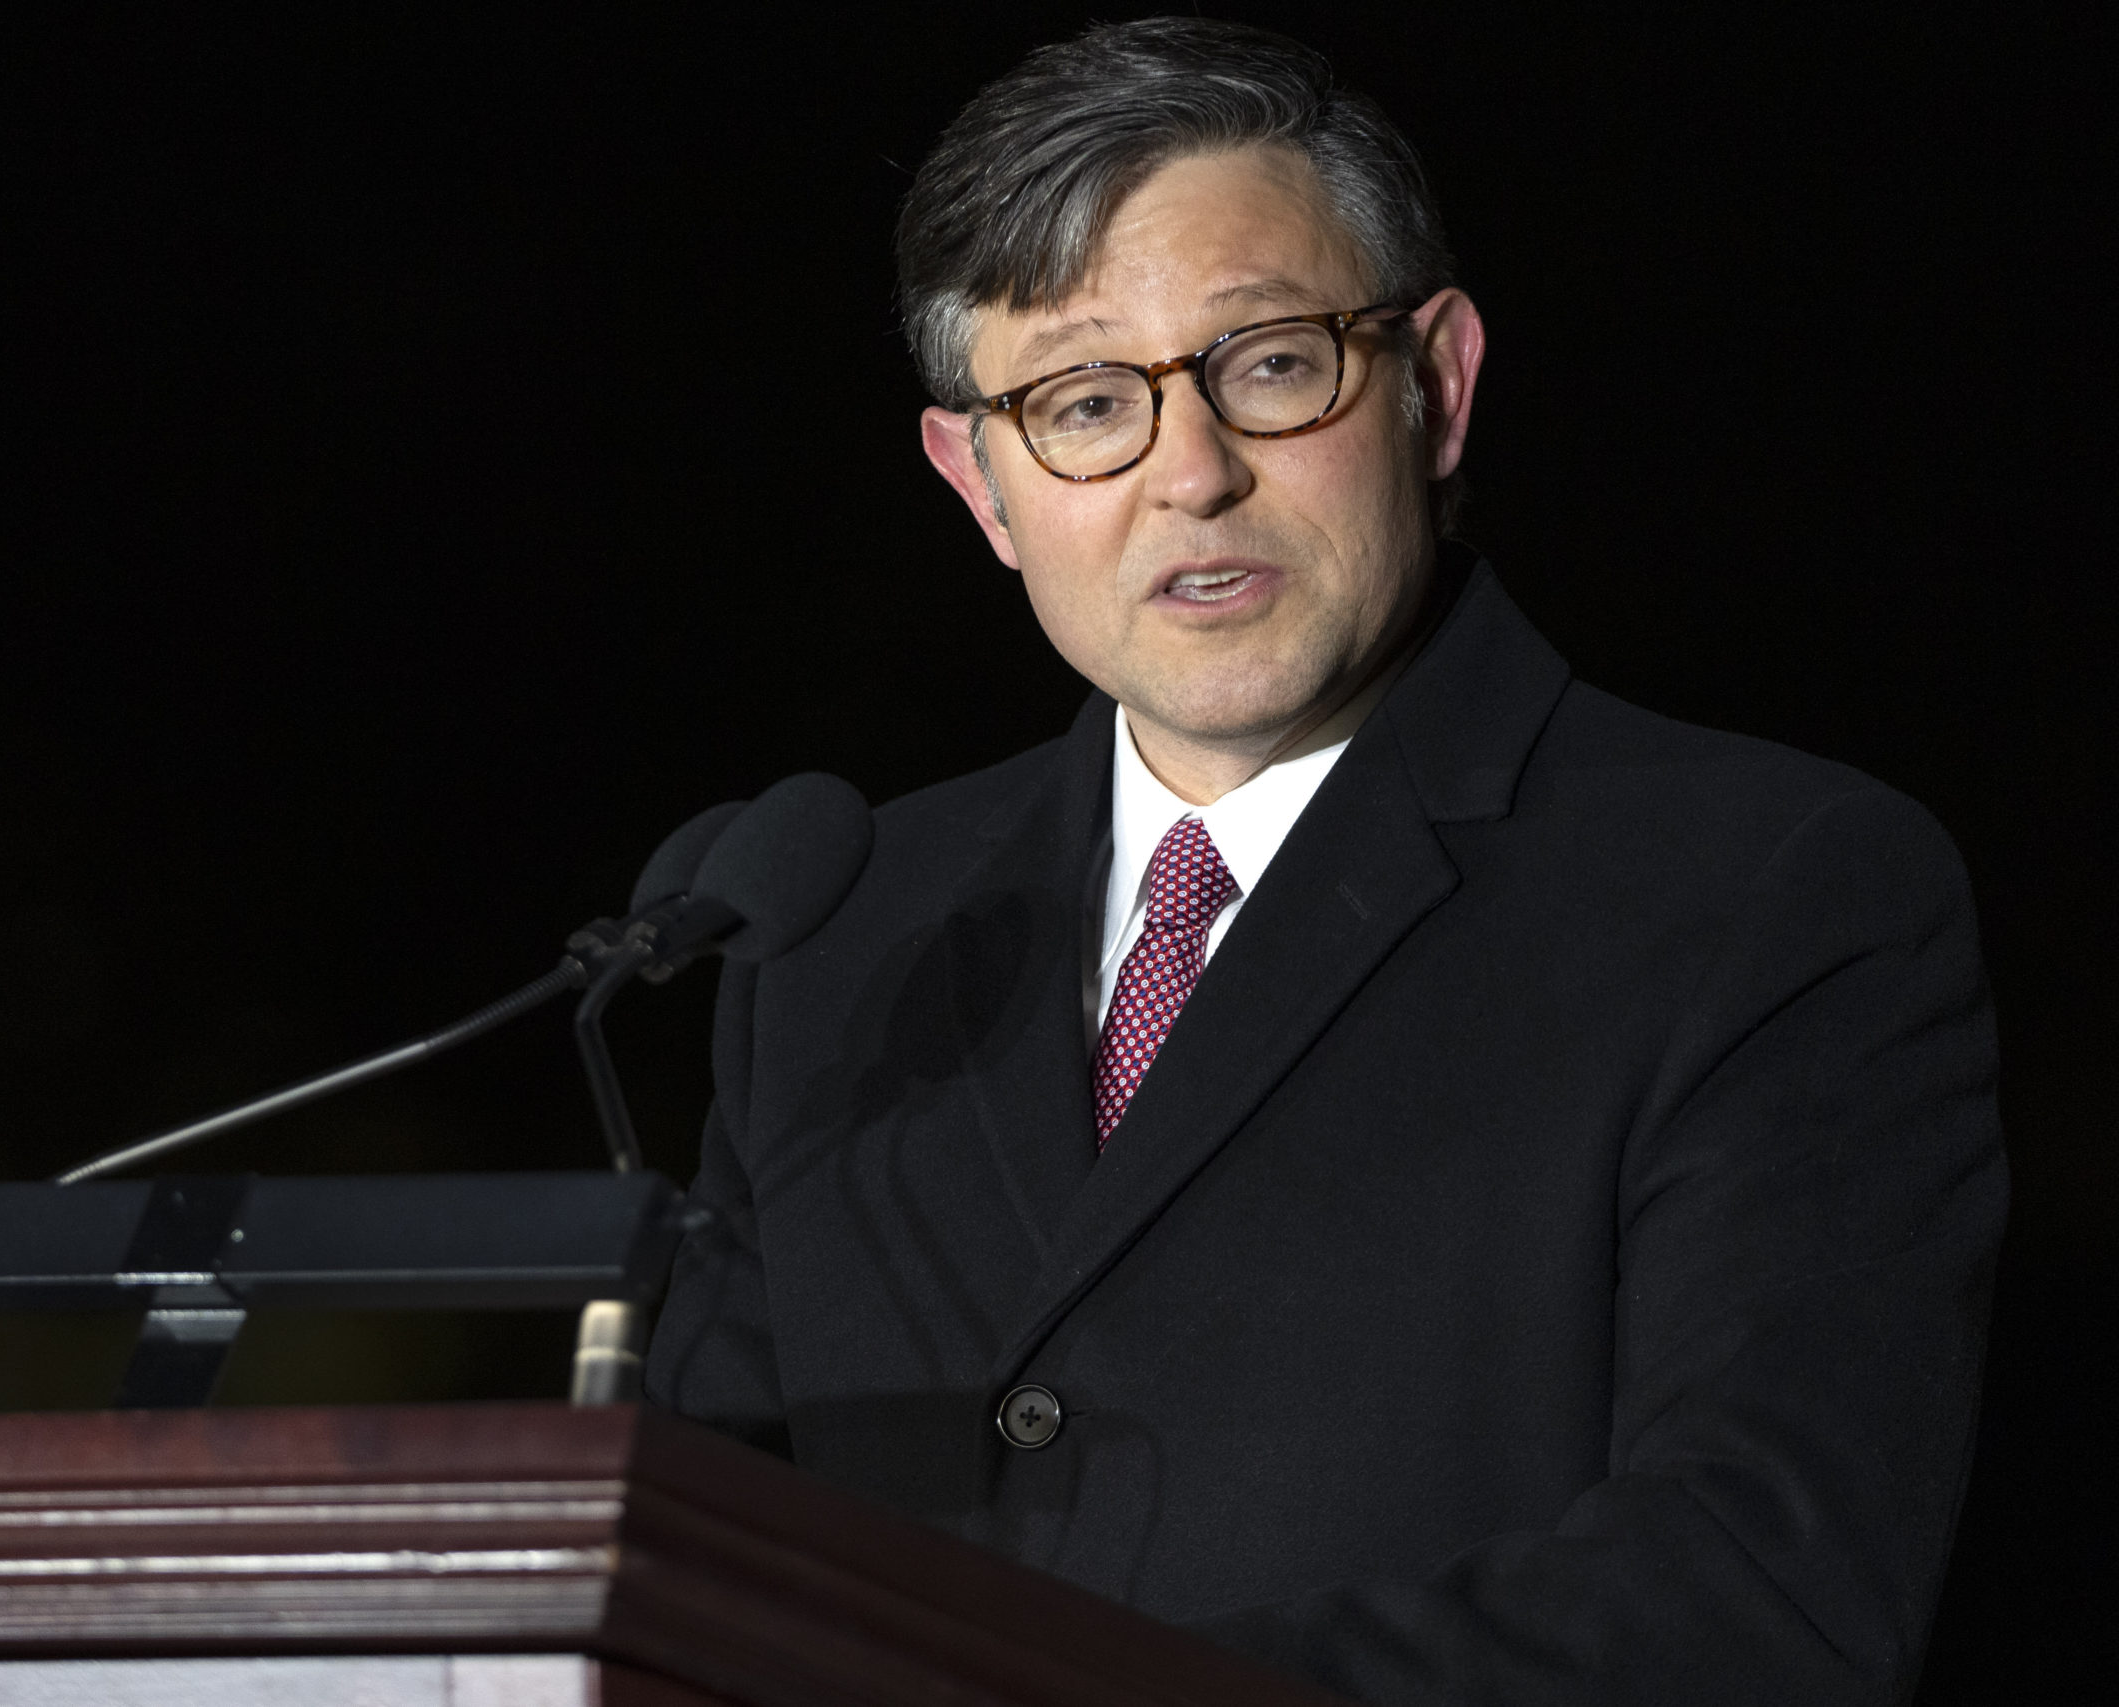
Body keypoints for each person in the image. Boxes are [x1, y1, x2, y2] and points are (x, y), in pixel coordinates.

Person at [643, 19, 2004, 1705]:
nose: (1191, 475)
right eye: (1083, 404)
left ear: (1436, 382)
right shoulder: (843, 935)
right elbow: (691, 1562)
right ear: (982, 485)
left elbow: (1755, 1597)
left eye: (1272, 363)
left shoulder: (1770, 894)